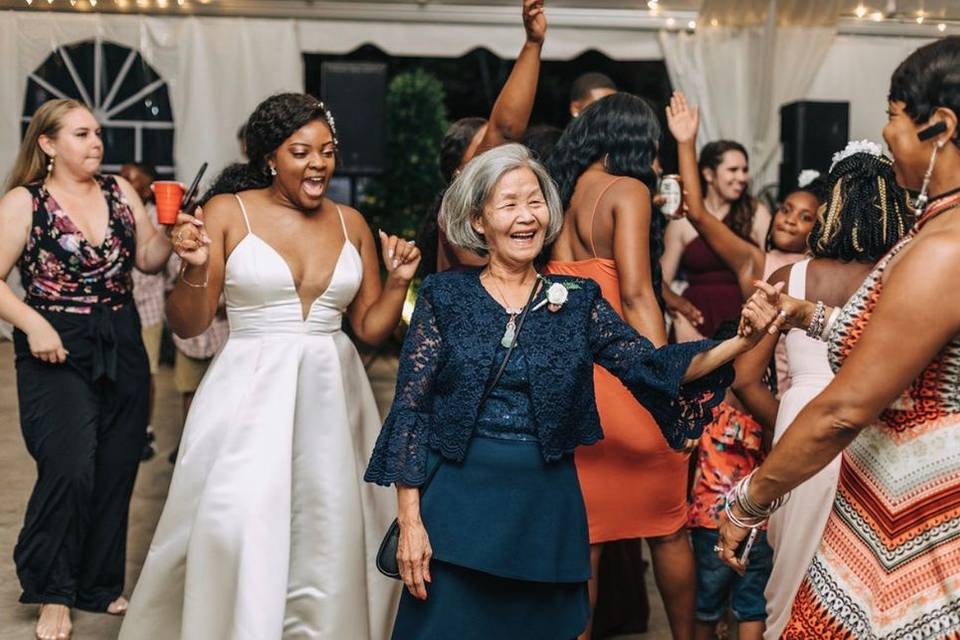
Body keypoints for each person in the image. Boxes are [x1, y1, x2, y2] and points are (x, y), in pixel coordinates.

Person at [365, 143, 781, 640]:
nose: (527, 216)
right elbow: (413, 411)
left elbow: (649, 365)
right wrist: (410, 522)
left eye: (535, 201)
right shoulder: (444, 296)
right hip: (457, 506)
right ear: (478, 220)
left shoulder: (579, 301)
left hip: (545, 507)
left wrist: (741, 340)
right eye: (510, 203)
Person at [119, 93, 418, 639]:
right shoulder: (228, 212)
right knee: (235, 521)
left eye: (327, 151)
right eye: (301, 151)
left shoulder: (352, 223)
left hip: (334, 393)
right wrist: (195, 266)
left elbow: (370, 328)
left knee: (329, 528)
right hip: (248, 393)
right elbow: (188, 324)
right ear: (270, 159)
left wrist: (398, 282)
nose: (319, 164)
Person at [718, 36, 960, 639]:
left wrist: (750, 499)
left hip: (920, 500)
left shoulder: (945, 248)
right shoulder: (939, 233)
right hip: (889, 489)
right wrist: (811, 316)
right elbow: (911, 340)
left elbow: (844, 409)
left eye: (893, 119)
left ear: (941, 127)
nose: (887, 138)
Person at [0, 98, 173, 640]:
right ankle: (54, 590)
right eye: (81, 134)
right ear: (47, 145)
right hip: (54, 342)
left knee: (118, 465)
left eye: (97, 133)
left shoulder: (121, 192)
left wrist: (169, 229)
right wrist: (33, 324)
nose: (96, 142)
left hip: (120, 339)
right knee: (70, 464)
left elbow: (147, 259)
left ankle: (97, 585)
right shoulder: (24, 202)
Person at [730, 145, 911, 639]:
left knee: (789, 577)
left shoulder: (791, 277)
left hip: (800, 424)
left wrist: (790, 423)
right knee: (860, 577)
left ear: (829, 207)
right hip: (875, 432)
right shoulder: (904, 278)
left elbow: (745, 379)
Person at [545, 93, 693, 640]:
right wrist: (664, 381)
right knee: (669, 527)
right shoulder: (626, 191)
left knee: (586, 538)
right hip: (624, 379)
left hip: (572, 381)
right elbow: (634, 295)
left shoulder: (560, 192)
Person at [665, 91, 822, 394]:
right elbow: (696, 213)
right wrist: (686, 143)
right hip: (765, 382)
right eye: (785, 209)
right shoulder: (758, 261)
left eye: (804, 217)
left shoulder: (821, 271)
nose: (789, 219)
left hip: (808, 382)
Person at [420, 0, 547, 274]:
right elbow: (504, 129)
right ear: (460, 173)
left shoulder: (497, 215)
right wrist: (533, 44)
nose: (496, 157)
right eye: (484, 151)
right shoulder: (458, 208)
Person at [662, 135, 772, 342]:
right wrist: (679, 321)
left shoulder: (756, 213)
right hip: (694, 321)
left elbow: (772, 272)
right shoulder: (683, 221)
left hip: (742, 320)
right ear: (708, 174)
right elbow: (662, 282)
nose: (742, 177)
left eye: (745, 170)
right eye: (733, 170)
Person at [163, 253, 229, 465]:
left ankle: (217, 443)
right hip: (190, 339)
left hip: (222, 328)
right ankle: (188, 441)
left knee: (221, 391)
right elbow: (169, 281)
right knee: (189, 389)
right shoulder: (183, 244)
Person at [121, 161, 164, 461]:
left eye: (134, 180)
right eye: (124, 178)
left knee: (146, 372)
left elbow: (162, 263)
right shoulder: (116, 213)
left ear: (148, 187)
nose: (127, 184)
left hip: (148, 308)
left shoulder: (159, 218)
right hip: (121, 307)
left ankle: (144, 428)